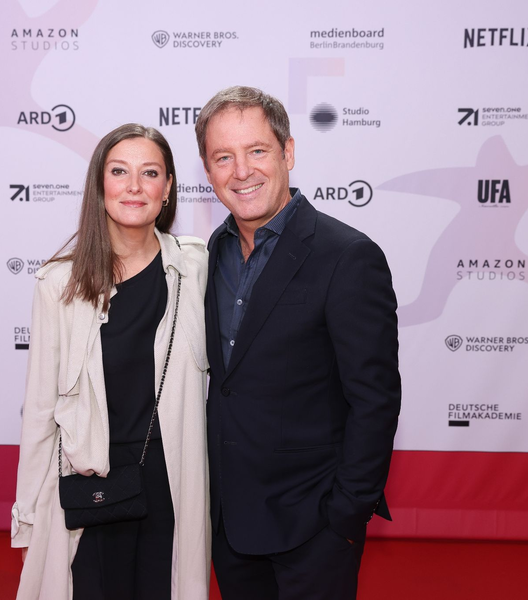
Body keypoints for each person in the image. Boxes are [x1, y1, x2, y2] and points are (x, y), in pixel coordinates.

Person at [196, 86, 401, 599]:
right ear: (208, 170)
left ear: (287, 152)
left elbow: (374, 399)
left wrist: (345, 516)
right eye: (224, 157)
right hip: (228, 522)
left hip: (313, 526)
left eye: (257, 151)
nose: (241, 171)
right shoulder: (205, 256)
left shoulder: (347, 256)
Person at [11, 123, 211, 600]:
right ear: (100, 185)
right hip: (88, 484)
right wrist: (29, 519)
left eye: (150, 173)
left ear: (168, 190)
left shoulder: (197, 266)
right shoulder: (58, 284)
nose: (135, 186)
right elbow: (40, 411)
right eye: (119, 171)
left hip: (170, 483)